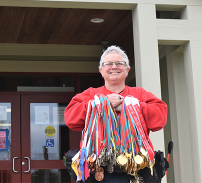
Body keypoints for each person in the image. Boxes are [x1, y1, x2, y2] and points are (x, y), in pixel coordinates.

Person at [64, 45, 167, 183]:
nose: (114, 67)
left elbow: (159, 119)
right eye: (109, 64)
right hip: (98, 170)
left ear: (127, 70)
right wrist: (102, 105)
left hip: (135, 170)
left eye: (119, 63)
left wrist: (129, 106)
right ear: (101, 70)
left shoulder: (140, 94)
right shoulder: (91, 95)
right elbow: (70, 118)